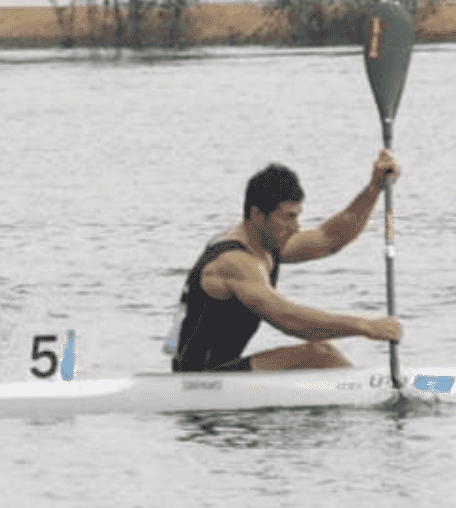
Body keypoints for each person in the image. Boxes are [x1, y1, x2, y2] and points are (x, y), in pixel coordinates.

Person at [170, 153, 403, 373]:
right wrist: (365, 326)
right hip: (198, 381)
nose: (296, 227)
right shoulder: (234, 262)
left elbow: (330, 238)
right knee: (319, 354)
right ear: (257, 215)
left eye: (297, 216)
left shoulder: (264, 242)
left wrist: (374, 188)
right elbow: (288, 319)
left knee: (319, 355)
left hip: (226, 373)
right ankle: (376, 395)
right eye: (289, 217)